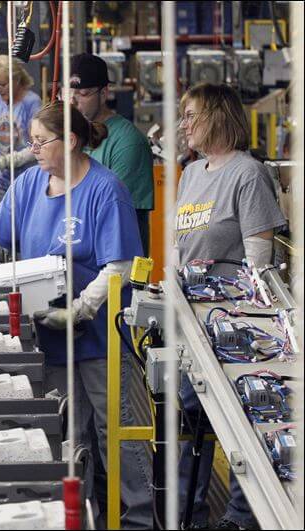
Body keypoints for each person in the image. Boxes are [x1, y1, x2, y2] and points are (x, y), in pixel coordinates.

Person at [0, 102, 153, 529]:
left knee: (117, 432)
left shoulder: (106, 190)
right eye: (31, 142)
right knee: (70, 433)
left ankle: (140, 519)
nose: (32, 150)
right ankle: (86, 514)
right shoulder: (30, 184)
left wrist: (81, 308)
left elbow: (120, 265)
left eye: (39, 141)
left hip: (100, 339)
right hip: (50, 338)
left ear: (69, 141)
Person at [176, 83, 286, 530]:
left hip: (235, 324)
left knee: (242, 423)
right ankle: (189, 513)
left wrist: (245, 317)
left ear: (218, 116)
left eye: (191, 115)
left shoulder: (248, 174)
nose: (184, 124)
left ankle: (242, 517)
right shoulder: (190, 173)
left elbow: (259, 258)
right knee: (192, 421)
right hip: (191, 318)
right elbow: (183, 243)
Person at [68, 53, 154, 256]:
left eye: (83, 94)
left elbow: (118, 215)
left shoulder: (128, 142)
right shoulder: (72, 135)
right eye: (69, 93)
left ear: (104, 94)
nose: (73, 101)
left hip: (118, 258)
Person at [0, 54, 42, 204]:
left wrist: (3, 162)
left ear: (17, 79)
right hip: (3, 180)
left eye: (2, 84)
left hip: (27, 180)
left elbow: (36, 147)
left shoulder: (31, 103)